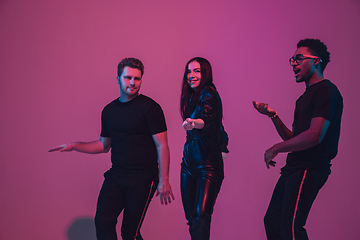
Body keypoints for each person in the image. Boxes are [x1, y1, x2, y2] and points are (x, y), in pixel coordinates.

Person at [49, 58, 174, 240]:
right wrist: (75, 146)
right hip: (117, 176)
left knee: (129, 233)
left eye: (137, 79)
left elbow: (162, 145)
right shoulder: (109, 111)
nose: (132, 83)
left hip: (143, 178)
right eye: (128, 77)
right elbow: (103, 145)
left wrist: (164, 180)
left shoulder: (150, 108)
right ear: (118, 78)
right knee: (103, 220)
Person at [253, 39, 343, 240]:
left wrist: (276, 147)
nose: (293, 63)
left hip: (309, 167)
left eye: (299, 58)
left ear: (316, 61)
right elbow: (295, 139)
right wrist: (273, 116)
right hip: (295, 166)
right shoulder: (303, 98)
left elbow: (314, 136)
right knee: (273, 222)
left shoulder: (326, 91)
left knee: (291, 228)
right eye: (292, 59)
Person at [180, 57, 229, 240]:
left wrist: (194, 123)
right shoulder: (191, 97)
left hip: (207, 165)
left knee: (200, 216)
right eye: (189, 71)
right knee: (192, 218)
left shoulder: (208, 92)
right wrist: (223, 147)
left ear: (206, 73)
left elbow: (207, 119)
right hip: (188, 163)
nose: (191, 75)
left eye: (197, 71)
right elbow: (220, 129)